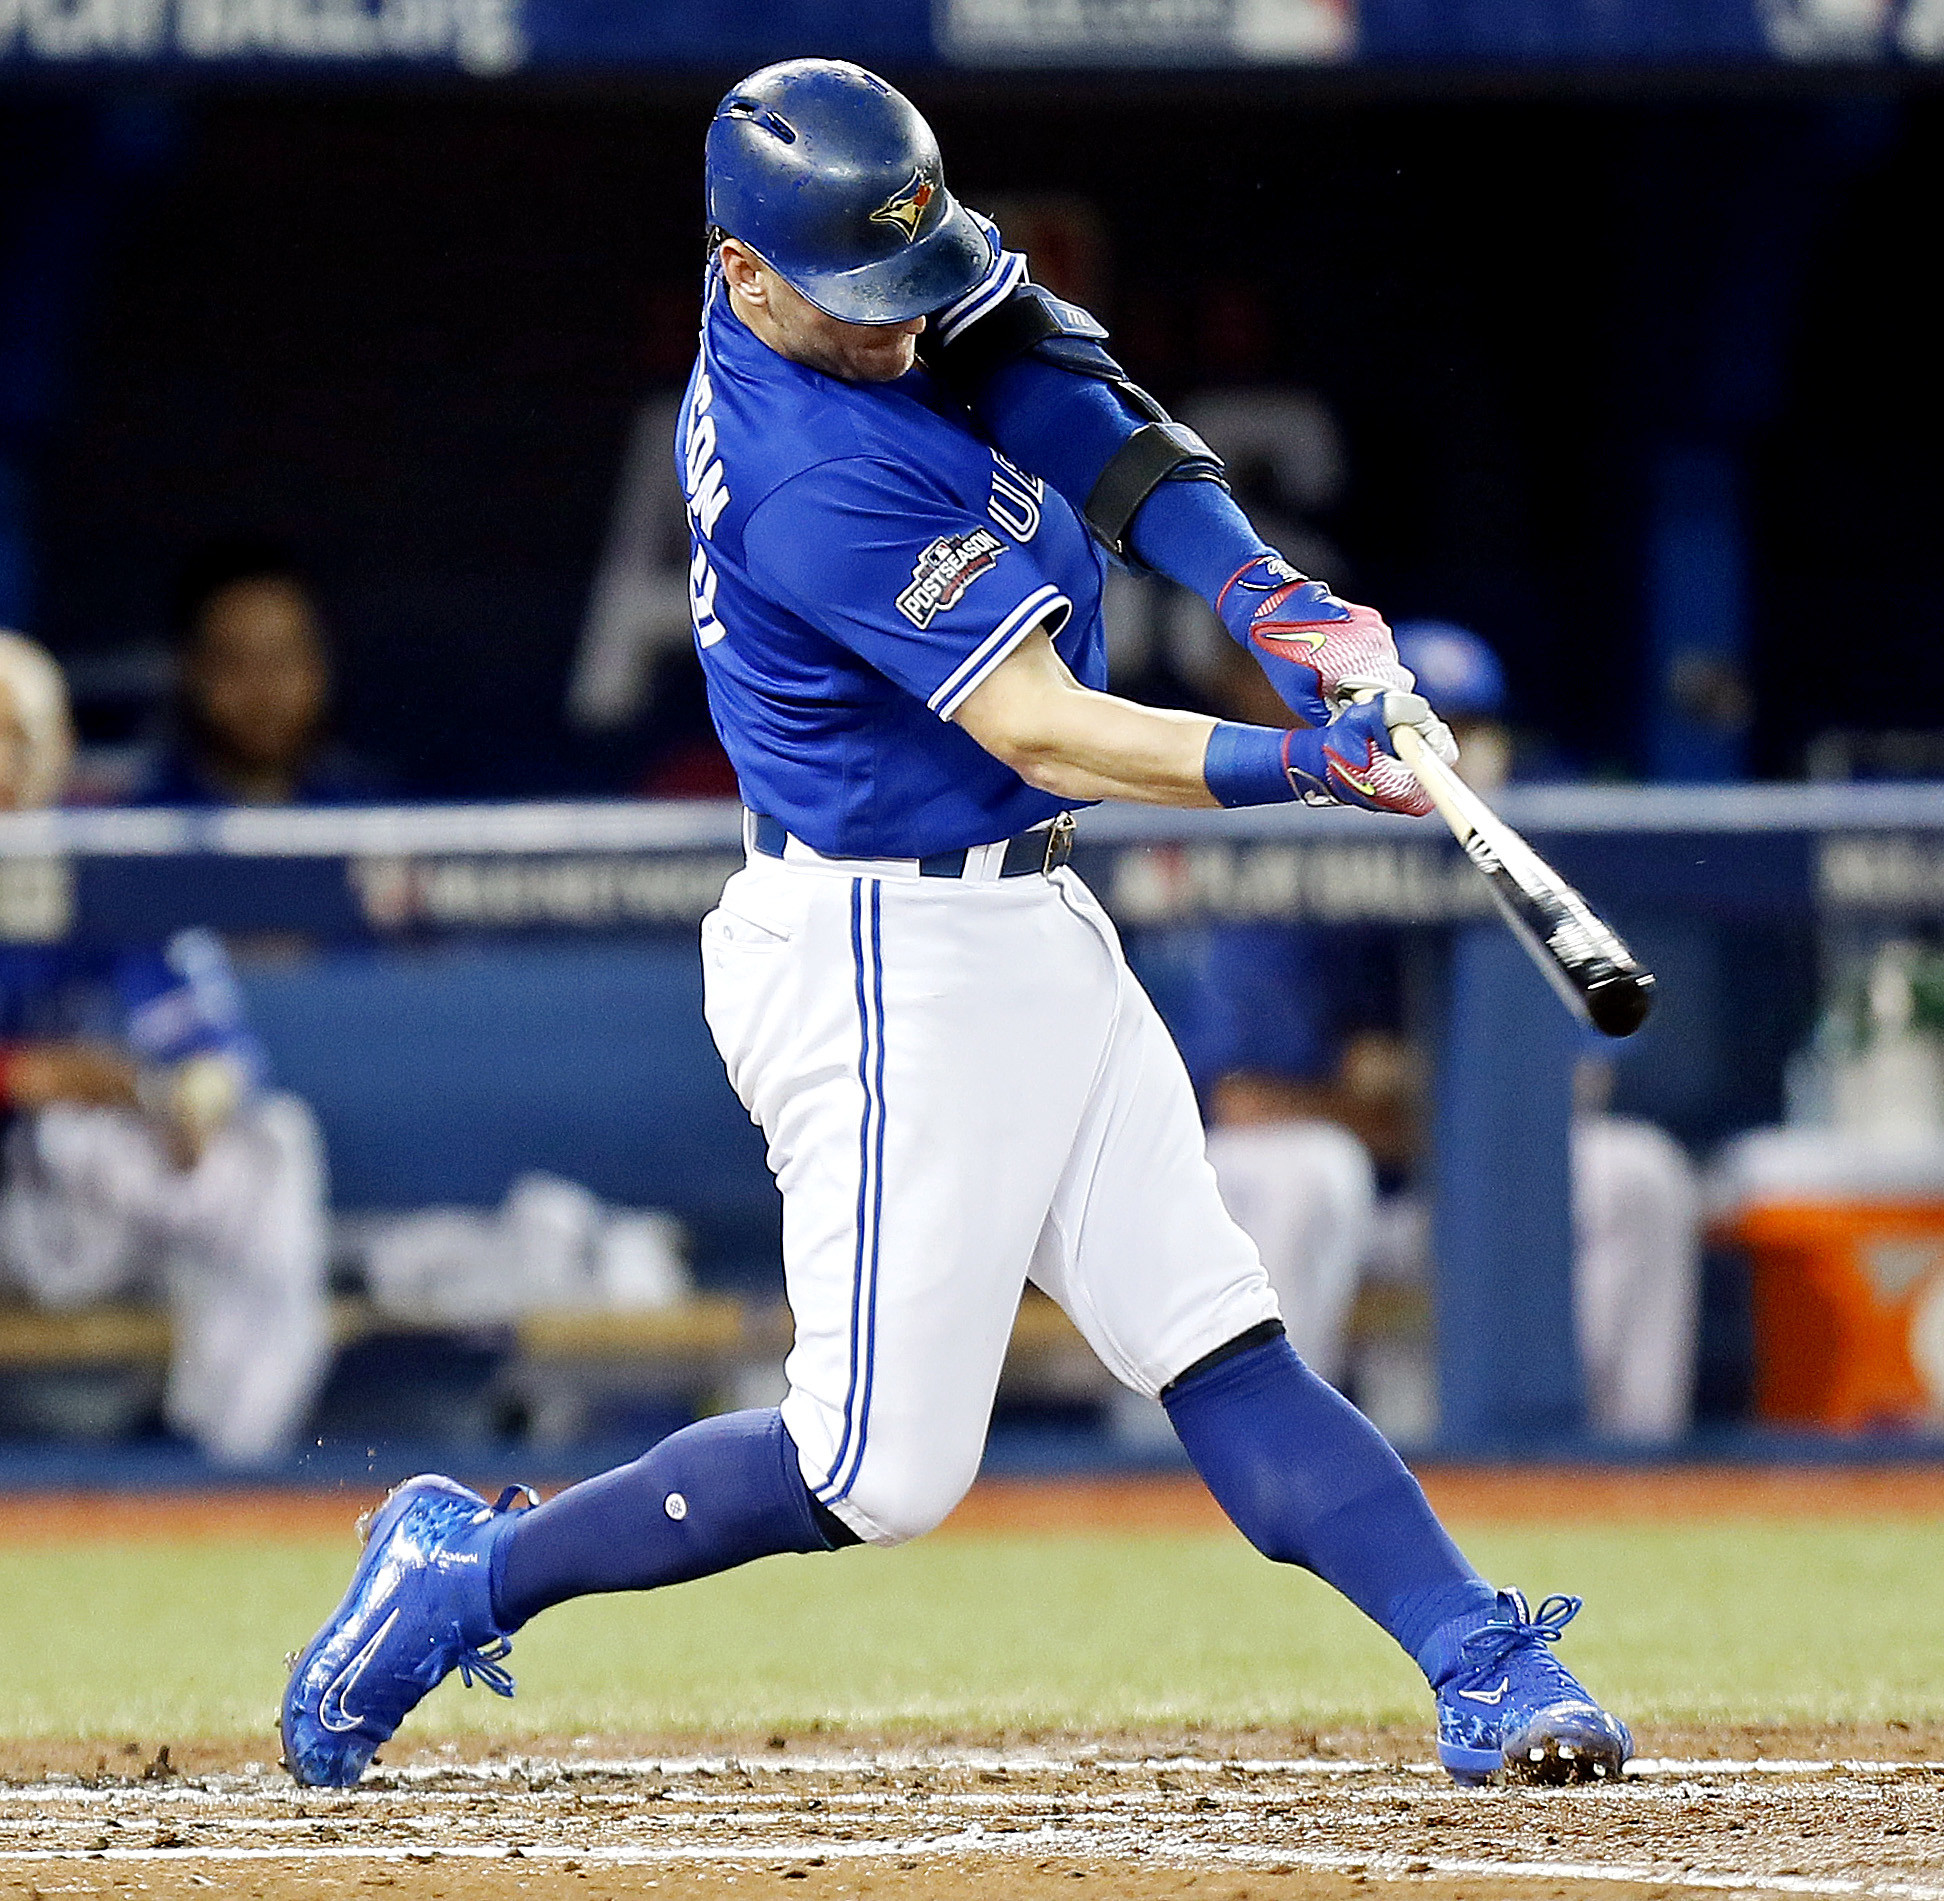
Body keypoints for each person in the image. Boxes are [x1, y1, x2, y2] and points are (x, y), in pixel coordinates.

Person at [279, 60, 1629, 1794]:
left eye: (912, 279)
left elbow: (1064, 390)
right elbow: (1044, 727)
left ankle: (1480, 1658)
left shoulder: (875, 260)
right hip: (879, 958)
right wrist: (1305, 760)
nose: (902, 324)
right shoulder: (802, 469)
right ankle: (466, 1573)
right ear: (741, 272)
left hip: (1025, 920)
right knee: (875, 1472)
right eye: (862, 299)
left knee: (1212, 1332)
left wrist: (1267, 596)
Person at [1141, 624, 1702, 1439]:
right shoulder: (1294, 849)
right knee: (1315, 1175)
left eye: (1471, 730)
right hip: (1333, 1197)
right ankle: (1263, 1455)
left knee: (1637, 1173)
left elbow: (1584, 1079)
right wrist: (1441, 1106)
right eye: (1428, 732)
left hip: (1466, 1189)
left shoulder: (1529, 865)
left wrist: (1406, 1089)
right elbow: (1246, 1100)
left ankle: (1622, 1468)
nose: (1454, 756)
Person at [0, 632, 330, 1462]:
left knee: (274, 1145)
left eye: (20, 736)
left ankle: (234, 1461)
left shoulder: (105, 864)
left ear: (62, 748)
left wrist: (193, 1097)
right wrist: (36, 1073)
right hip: (18, 1182)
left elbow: (215, 1052)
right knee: (66, 1132)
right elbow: (35, 1078)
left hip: (82, 1199)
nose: (4, 763)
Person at [134, 540, 383, 807]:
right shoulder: (141, 823)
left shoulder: (377, 818)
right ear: (191, 671)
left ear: (321, 665)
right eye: (234, 662)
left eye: (283, 659)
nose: (264, 690)